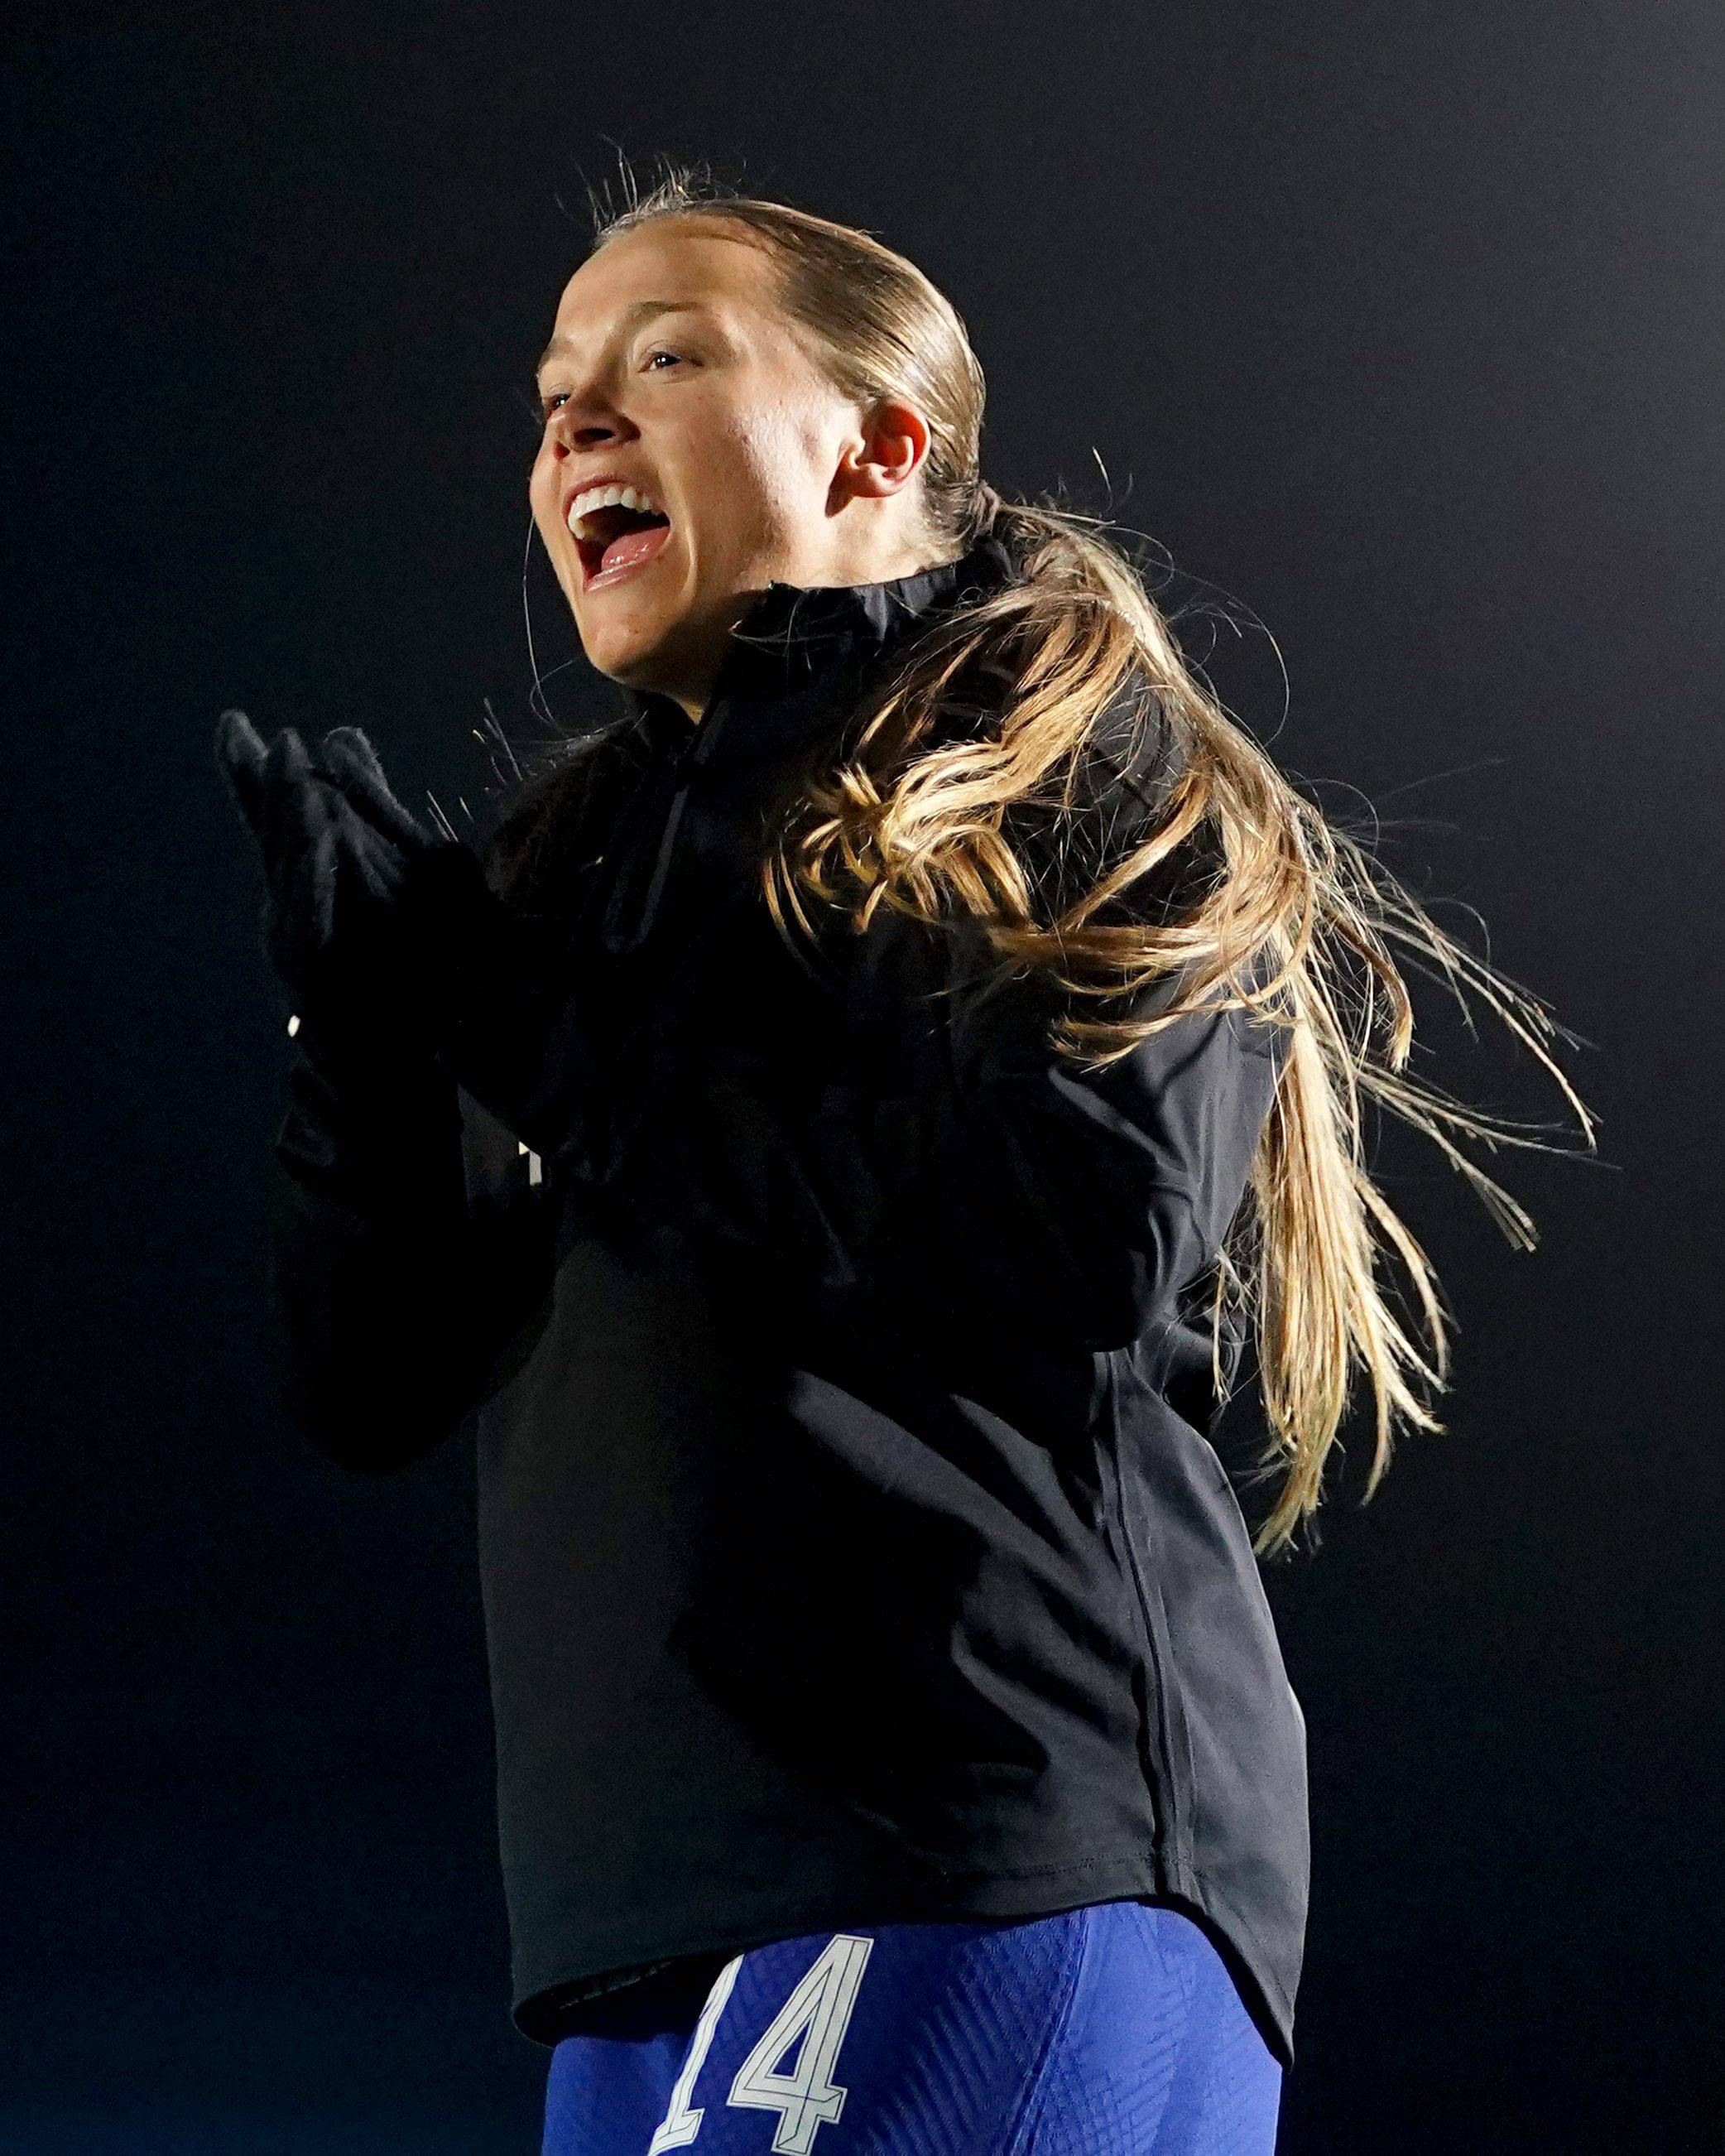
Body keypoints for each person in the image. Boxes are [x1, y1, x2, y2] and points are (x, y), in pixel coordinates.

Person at [214, 170, 1591, 2154]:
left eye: (664, 358)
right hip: (644, 1923)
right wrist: (361, 1046)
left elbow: (1080, 1222)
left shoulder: (1060, 754)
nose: (572, 422)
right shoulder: (566, 879)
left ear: (879, 442)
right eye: (552, 393)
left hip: (979, 1843)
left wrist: (533, 1032)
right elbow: (371, 1380)